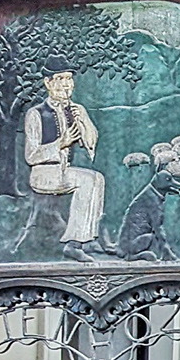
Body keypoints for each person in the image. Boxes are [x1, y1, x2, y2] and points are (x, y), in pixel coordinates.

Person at [24, 67, 110, 259]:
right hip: (43, 173)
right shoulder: (36, 114)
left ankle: (89, 237)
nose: (66, 85)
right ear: (48, 83)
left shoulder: (76, 109)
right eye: (60, 78)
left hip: (65, 171)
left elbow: (90, 142)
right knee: (87, 181)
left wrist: (84, 121)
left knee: (98, 178)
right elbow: (31, 156)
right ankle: (73, 243)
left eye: (69, 79)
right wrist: (60, 144)